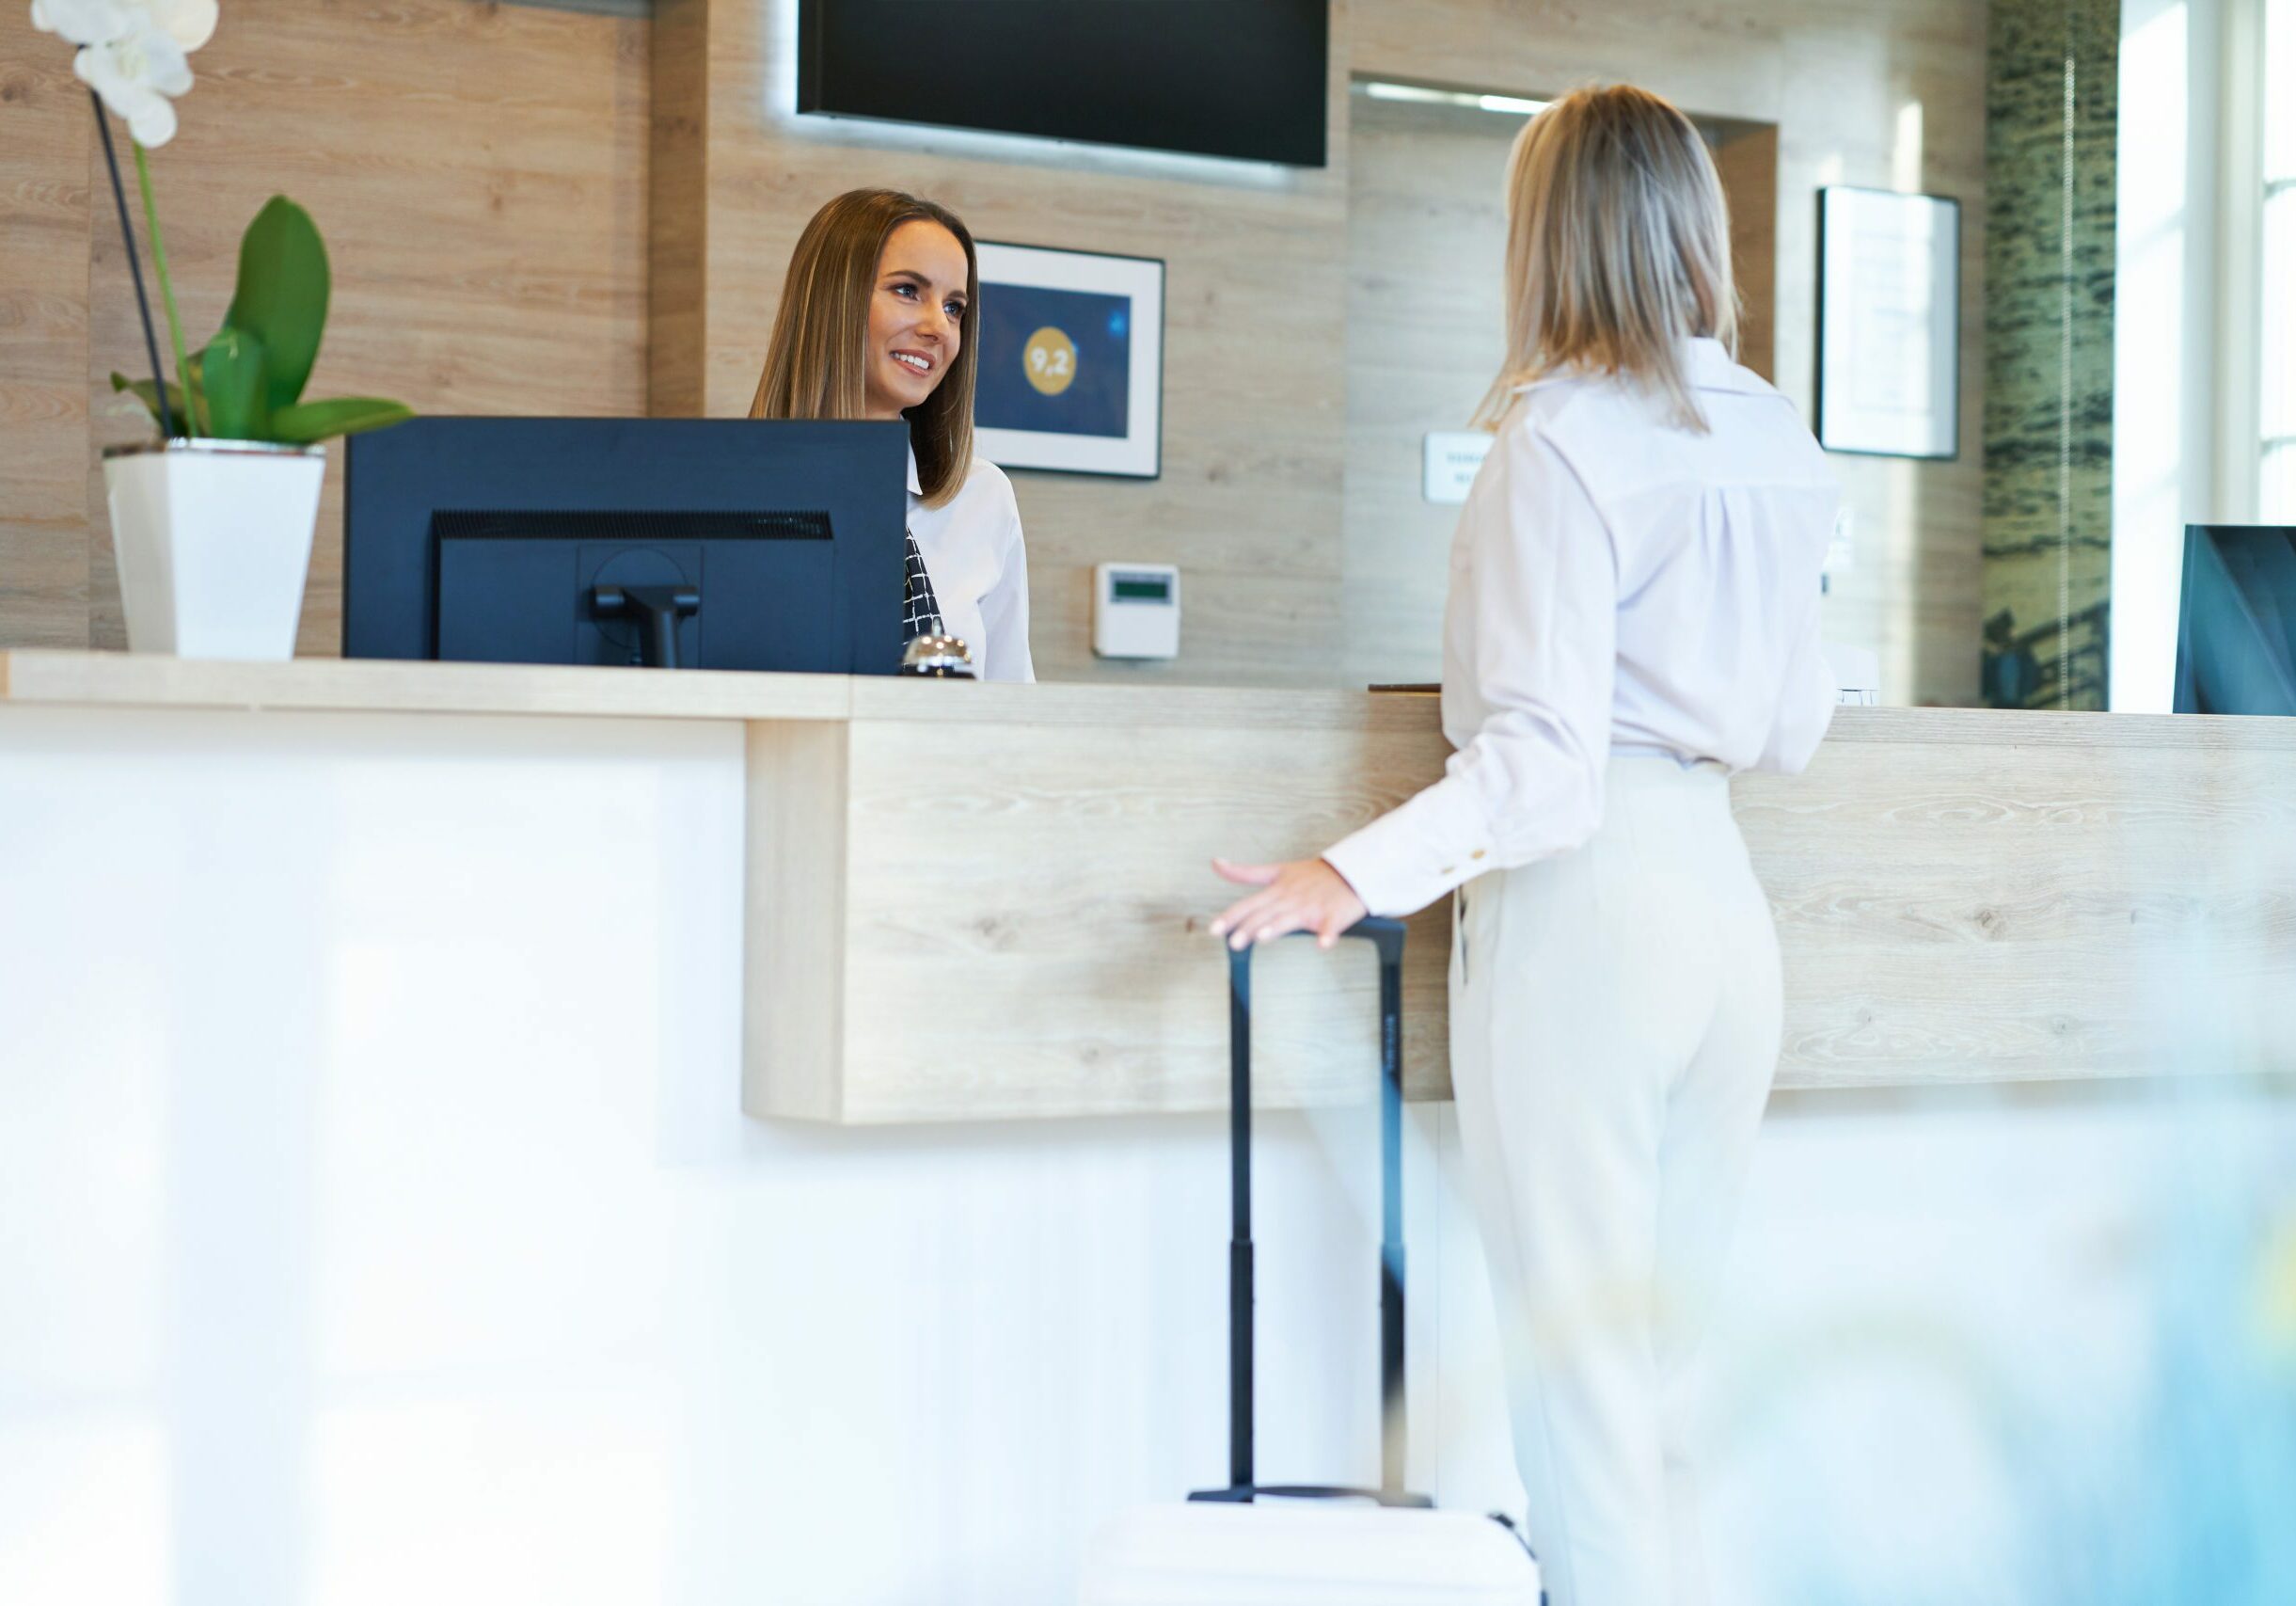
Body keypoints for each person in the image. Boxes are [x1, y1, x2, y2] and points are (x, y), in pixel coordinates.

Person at [1211, 85, 1838, 1606]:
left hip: (1588, 916)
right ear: (1690, 225)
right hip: (1726, 911)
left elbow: (1543, 769)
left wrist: (1350, 870)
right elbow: (1803, 717)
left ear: (1545, 236)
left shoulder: (1556, 442)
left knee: (1583, 1388)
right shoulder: (1774, 433)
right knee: (1668, 1376)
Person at [750, 187, 1035, 681]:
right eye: (908, 291)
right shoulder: (737, 489)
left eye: (954, 307)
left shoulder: (982, 498)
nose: (939, 328)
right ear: (833, 300)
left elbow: (1013, 707)